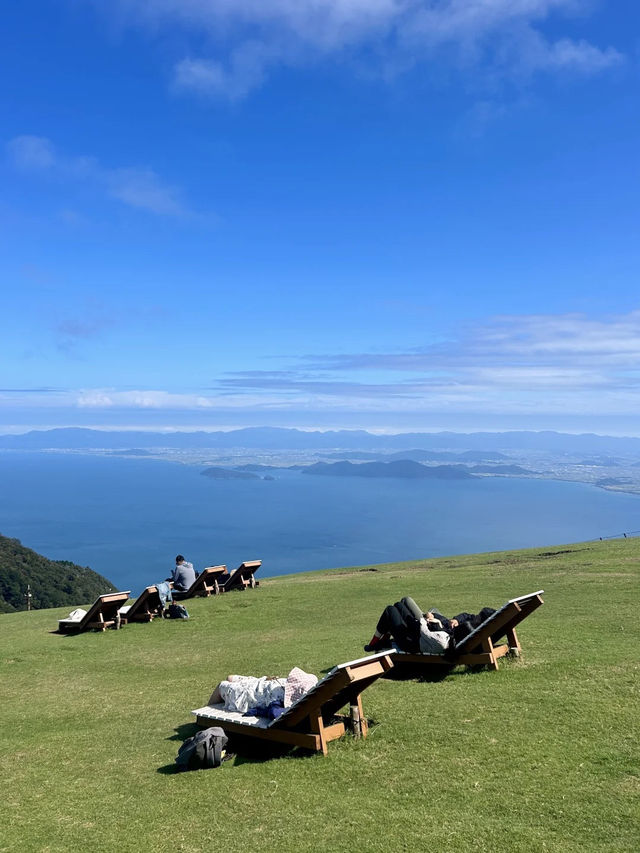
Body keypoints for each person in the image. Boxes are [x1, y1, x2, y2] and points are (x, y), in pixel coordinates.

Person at [364, 596, 496, 654]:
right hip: (417, 634)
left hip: (411, 641)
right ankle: (380, 642)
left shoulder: (444, 640)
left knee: (390, 610)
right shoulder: (464, 633)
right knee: (398, 606)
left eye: (479, 616)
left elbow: (425, 632)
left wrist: (430, 620)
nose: (475, 617)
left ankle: (375, 644)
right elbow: (466, 617)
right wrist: (451, 621)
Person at [208, 667, 318, 718]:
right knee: (230, 677)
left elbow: (275, 713)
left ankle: (205, 719)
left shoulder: (278, 703)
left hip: (248, 693)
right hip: (258, 683)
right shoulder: (289, 688)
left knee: (221, 685)